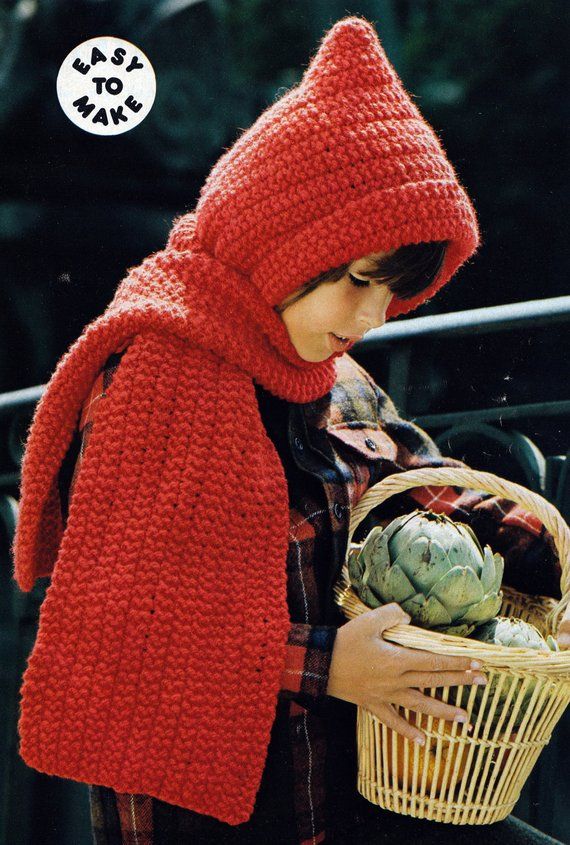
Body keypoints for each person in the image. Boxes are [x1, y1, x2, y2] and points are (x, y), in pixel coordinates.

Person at [12, 15, 567, 845]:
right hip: (213, 816)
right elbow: (124, 632)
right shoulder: (150, 383)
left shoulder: (334, 378)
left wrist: (534, 554)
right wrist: (331, 664)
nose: (377, 314)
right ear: (277, 244)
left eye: (395, 289)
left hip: (355, 795)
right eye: (357, 281)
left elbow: (424, 488)